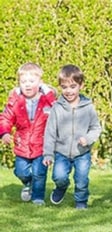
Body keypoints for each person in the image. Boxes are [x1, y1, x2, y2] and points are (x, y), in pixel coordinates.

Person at [42, 64, 101, 209]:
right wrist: (48, 154)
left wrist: (87, 139)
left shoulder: (88, 107)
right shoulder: (57, 108)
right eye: (64, 87)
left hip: (82, 152)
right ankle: (61, 187)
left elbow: (96, 127)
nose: (68, 91)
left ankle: (81, 202)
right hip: (61, 152)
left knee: (81, 180)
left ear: (81, 85)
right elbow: (50, 132)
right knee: (59, 176)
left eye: (73, 86)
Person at [0, 62, 56, 205]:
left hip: (42, 145)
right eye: (24, 81)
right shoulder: (15, 101)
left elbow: (58, 112)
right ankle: (27, 183)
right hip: (22, 144)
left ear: (40, 83)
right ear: (19, 83)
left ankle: (37, 197)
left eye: (32, 81)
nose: (28, 85)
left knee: (40, 173)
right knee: (21, 171)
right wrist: (5, 132)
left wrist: (48, 92)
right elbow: (6, 118)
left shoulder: (47, 101)